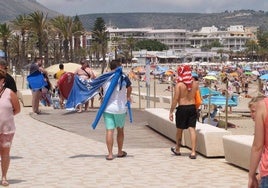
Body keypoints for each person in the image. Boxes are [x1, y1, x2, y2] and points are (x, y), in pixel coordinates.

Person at [102, 60, 132, 160]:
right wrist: (128, 97)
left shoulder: (106, 76)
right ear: (119, 66)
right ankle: (119, 152)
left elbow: (99, 88)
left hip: (108, 108)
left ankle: (110, 154)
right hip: (120, 108)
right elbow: (130, 87)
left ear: (110, 67)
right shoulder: (123, 77)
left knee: (109, 130)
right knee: (120, 130)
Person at [169, 65, 199, 159]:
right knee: (192, 129)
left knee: (179, 129)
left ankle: (177, 149)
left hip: (182, 108)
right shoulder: (195, 83)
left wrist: (171, 111)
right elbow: (197, 96)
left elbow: (175, 99)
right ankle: (193, 152)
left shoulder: (179, 85)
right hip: (192, 107)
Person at [0, 69, 21, 186]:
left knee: (5, 153)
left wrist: (6, 117)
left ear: (2, 81)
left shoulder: (9, 93)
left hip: (7, 129)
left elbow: (17, 109)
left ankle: (3, 177)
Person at [248, 95, 268, 188]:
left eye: (253, 111)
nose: (251, 115)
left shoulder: (263, 105)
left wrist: (251, 176)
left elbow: (257, 146)